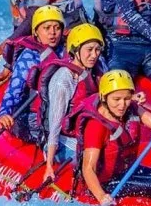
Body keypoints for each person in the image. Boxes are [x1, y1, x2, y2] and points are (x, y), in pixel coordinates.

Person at [76, 69, 151, 206]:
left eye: (126, 98)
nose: (122, 105)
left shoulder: (132, 108)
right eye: (116, 99)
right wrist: (101, 196)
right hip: (106, 184)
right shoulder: (96, 126)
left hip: (126, 173)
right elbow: (88, 168)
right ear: (104, 98)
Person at [33, 23, 106, 183]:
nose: (94, 55)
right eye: (89, 50)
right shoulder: (64, 80)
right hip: (61, 143)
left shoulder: (95, 71)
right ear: (76, 50)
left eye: (97, 50)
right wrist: (49, 166)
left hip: (86, 137)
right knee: (102, 161)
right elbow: (55, 124)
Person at [0, 5, 65, 141]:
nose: (52, 32)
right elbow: (13, 90)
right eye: (46, 28)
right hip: (31, 118)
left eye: (57, 28)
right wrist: (4, 113)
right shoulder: (28, 58)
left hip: (58, 112)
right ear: (36, 32)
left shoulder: (66, 50)